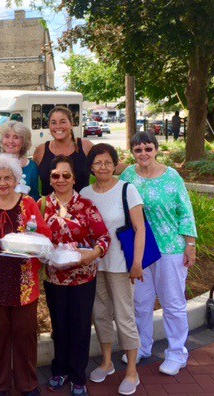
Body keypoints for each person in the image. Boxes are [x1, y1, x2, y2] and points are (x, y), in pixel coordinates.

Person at [0, 154, 51, 396]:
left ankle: (27, 383)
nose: (3, 182)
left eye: (8, 178)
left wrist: (33, 243)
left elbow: (44, 234)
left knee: (25, 334)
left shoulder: (29, 204)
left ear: (16, 179)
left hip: (23, 280)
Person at [120, 132, 197, 376]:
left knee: (172, 303)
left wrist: (190, 244)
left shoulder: (171, 177)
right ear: (132, 152)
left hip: (170, 250)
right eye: (138, 149)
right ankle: (142, 346)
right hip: (140, 249)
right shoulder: (129, 175)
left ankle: (177, 352)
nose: (143, 153)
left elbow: (185, 211)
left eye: (148, 148)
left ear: (156, 149)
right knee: (141, 303)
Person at [41, 155, 110, 396]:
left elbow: (104, 238)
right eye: (55, 175)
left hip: (83, 277)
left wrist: (93, 254)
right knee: (59, 326)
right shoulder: (41, 206)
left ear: (75, 178)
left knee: (80, 326)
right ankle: (59, 370)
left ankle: (78, 376)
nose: (60, 180)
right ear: (49, 179)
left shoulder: (86, 206)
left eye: (66, 175)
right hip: (54, 277)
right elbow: (34, 237)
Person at [80, 143, 144, 395]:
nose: (103, 167)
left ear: (115, 163)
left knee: (125, 315)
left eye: (108, 162)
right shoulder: (86, 192)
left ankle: (132, 371)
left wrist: (136, 262)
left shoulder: (127, 190)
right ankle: (106, 362)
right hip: (95, 265)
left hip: (121, 265)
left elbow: (140, 229)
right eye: (97, 163)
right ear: (91, 167)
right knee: (100, 314)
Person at [33, 106, 94, 195]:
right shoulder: (41, 151)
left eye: (63, 122)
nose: (58, 126)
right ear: (49, 126)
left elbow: (105, 168)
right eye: (53, 122)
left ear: (71, 124)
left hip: (82, 206)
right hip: (49, 207)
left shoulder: (85, 147)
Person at [0, 121, 40, 201]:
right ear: (2, 139)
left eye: (16, 137)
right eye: (7, 136)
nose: (10, 141)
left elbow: (35, 196)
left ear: (23, 142)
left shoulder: (31, 167)